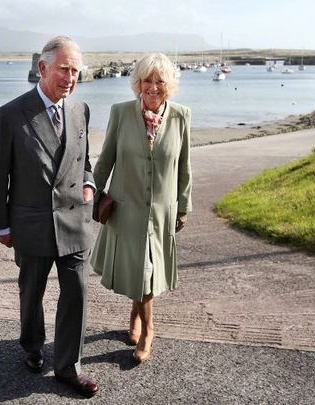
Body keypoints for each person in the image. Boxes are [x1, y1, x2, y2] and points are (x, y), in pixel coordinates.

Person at [0, 36, 98, 397]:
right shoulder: (10, 114)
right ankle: (32, 346)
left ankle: (69, 366)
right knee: (31, 291)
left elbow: (86, 162)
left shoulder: (80, 110)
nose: (70, 77)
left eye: (76, 71)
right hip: (31, 224)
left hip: (74, 222)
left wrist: (90, 187)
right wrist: (1, 224)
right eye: (64, 68)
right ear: (42, 68)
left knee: (76, 293)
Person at [90, 53, 192, 364]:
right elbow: (106, 158)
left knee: (145, 272)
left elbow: (185, 166)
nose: (153, 86)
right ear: (138, 83)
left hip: (161, 211)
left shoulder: (181, 116)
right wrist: (91, 194)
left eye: (159, 81)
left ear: (168, 85)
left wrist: (183, 207)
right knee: (141, 271)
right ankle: (145, 323)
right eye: (147, 80)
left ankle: (145, 327)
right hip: (127, 209)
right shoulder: (120, 113)